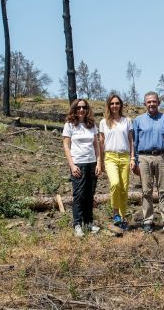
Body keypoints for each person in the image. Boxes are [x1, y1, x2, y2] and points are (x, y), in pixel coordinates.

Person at [133, 91, 164, 233]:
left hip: (162, 156)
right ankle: (148, 221)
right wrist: (134, 160)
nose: (151, 104)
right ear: (144, 104)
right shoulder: (138, 120)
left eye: (154, 101)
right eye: (149, 102)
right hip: (144, 157)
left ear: (158, 103)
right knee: (146, 190)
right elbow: (134, 142)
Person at [63, 99, 101, 237]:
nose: (81, 110)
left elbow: (96, 146)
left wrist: (99, 163)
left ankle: (89, 223)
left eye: (84, 107)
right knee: (78, 195)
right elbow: (66, 146)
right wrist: (72, 165)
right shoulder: (69, 125)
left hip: (91, 164)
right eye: (78, 107)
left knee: (89, 195)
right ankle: (77, 224)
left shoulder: (91, 125)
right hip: (78, 164)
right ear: (74, 109)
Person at [99, 93, 134, 230]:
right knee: (115, 184)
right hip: (110, 157)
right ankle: (115, 213)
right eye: (112, 103)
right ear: (109, 105)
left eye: (117, 103)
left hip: (125, 157)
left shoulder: (127, 121)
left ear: (121, 105)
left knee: (124, 188)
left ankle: (123, 217)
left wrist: (132, 158)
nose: (114, 106)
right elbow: (101, 143)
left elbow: (131, 141)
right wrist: (100, 162)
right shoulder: (103, 122)